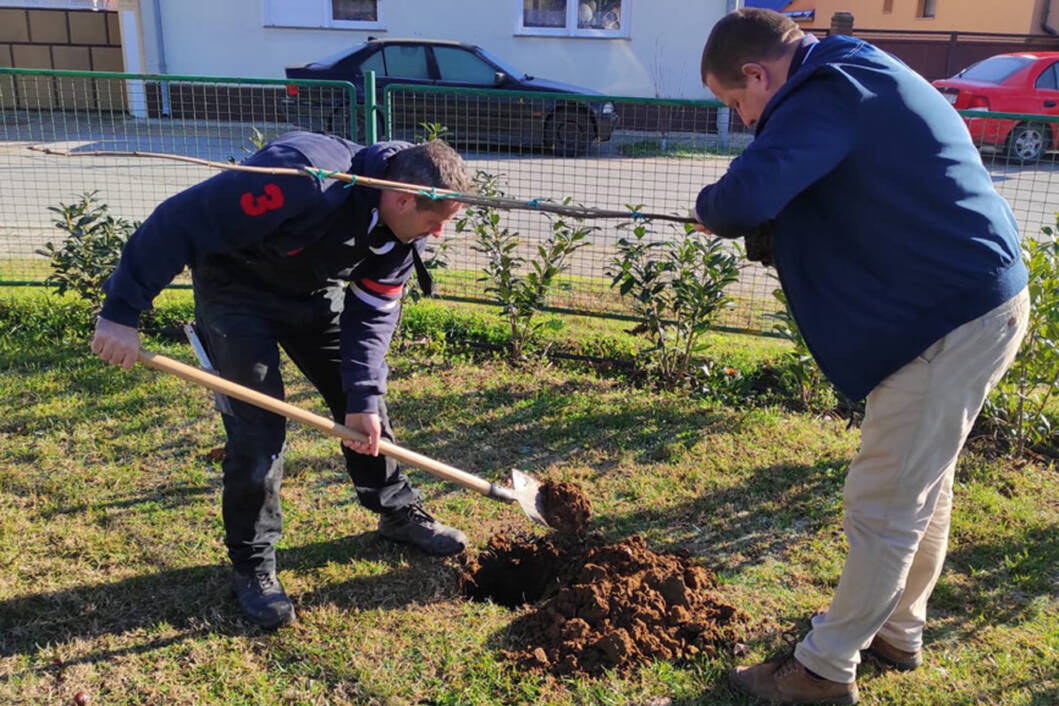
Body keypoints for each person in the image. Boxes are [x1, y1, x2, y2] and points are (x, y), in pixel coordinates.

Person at [694, 9, 1028, 704]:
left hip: (949, 318)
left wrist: (709, 204)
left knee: (882, 500)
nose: (748, 119)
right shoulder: (851, 67)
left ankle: (822, 669)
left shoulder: (827, 91)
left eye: (737, 102)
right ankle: (897, 630)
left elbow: (740, 199)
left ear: (757, 73)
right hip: (968, 302)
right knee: (919, 485)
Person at [92, 132, 475, 629]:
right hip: (236, 294)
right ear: (402, 199)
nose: (438, 235)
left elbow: (374, 313)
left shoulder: (402, 229)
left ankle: (396, 511)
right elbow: (179, 221)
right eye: (435, 222)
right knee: (259, 430)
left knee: (364, 406)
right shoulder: (299, 179)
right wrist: (121, 312)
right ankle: (253, 566)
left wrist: (360, 396)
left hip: (313, 294)